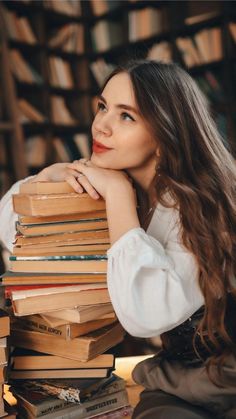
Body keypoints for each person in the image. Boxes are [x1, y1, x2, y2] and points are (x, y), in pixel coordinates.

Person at [0, 60, 235, 418]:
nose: (101, 126)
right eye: (102, 106)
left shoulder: (207, 204)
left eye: (127, 116)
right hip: (178, 384)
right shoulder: (115, 183)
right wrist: (44, 180)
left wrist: (119, 197)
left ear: (167, 130)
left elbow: (145, 316)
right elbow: (10, 232)